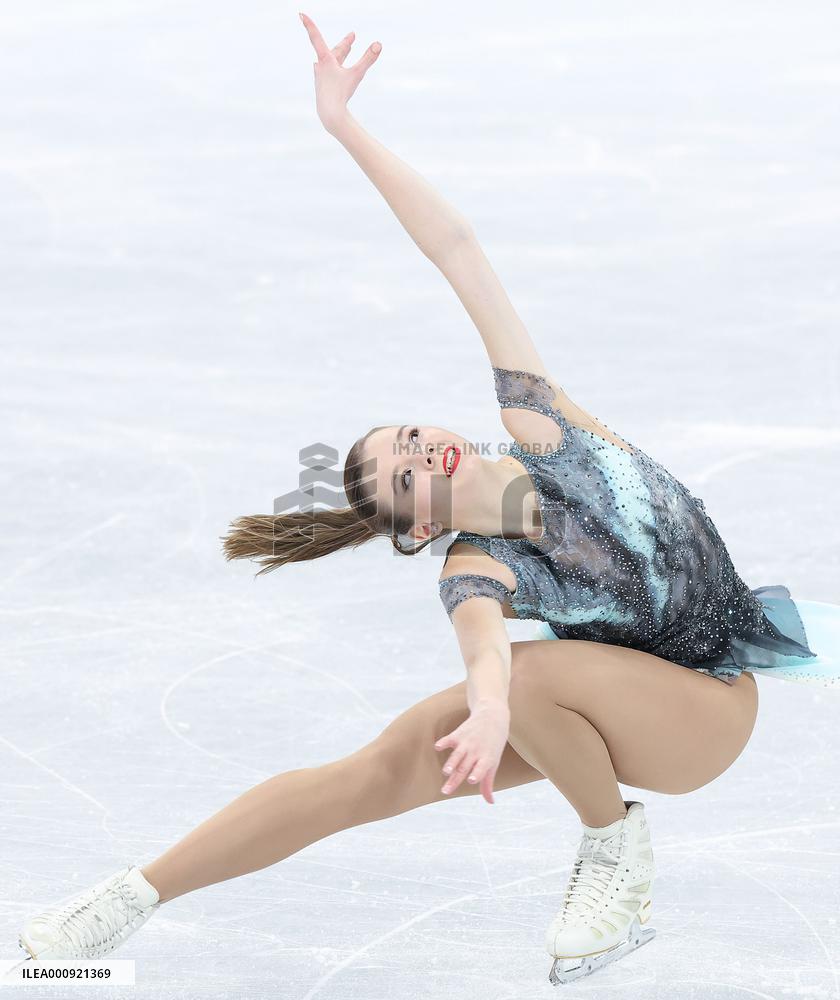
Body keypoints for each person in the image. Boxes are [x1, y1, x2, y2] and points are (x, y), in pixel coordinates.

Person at [16, 12, 839, 985]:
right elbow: (487, 645)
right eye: (405, 478)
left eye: (408, 438)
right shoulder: (475, 565)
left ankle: (615, 853)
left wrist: (345, 128)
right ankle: (123, 901)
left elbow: (453, 248)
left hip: (712, 708)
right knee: (377, 769)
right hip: (613, 699)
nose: (421, 453)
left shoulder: (542, 423)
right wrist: (488, 706)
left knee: (530, 686)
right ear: (420, 526)